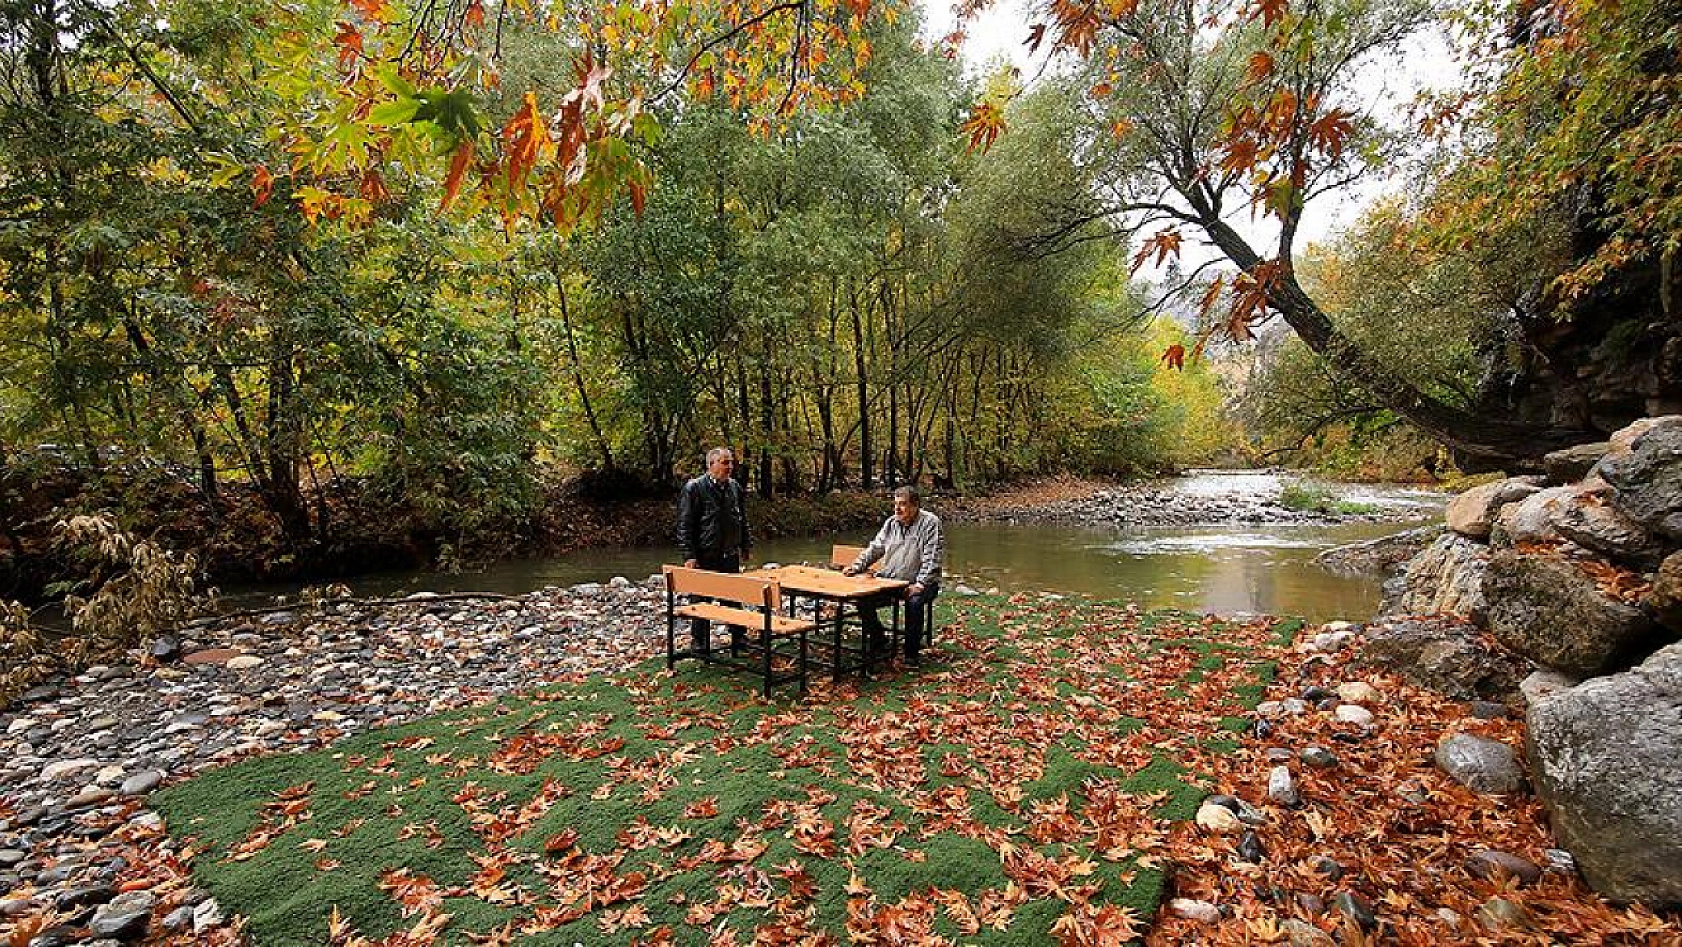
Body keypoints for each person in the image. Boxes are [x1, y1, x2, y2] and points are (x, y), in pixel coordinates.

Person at [845, 485, 943, 665]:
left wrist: (920, 584)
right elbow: (876, 548)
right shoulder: (891, 523)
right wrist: (857, 566)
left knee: (914, 602)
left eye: (903, 504)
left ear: (915, 506)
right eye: (896, 504)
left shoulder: (930, 523)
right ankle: (879, 640)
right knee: (862, 599)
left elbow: (932, 557)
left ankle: (911, 654)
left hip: (923, 582)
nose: (897, 509)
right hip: (891, 580)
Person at [676, 446, 752, 653]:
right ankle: (699, 642)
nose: (730, 467)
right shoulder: (694, 488)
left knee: (733, 598)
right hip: (705, 554)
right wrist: (689, 555)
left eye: (731, 463)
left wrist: (746, 544)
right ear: (711, 465)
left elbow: (742, 519)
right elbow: (685, 524)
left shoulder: (735, 487)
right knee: (700, 600)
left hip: (729, 553)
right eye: (725, 462)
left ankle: (739, 637)